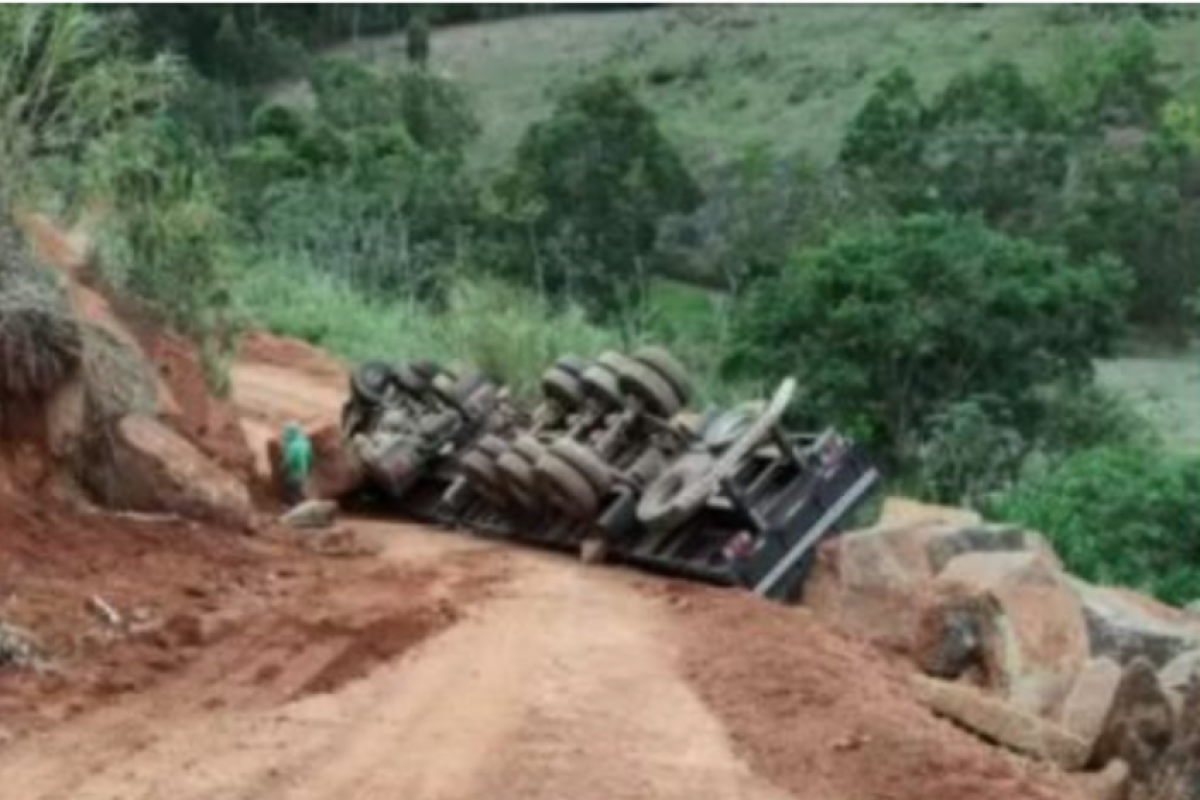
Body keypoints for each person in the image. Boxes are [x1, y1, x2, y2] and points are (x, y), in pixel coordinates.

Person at [280, 422, 313, 506]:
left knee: (290, 492)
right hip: (303, 474)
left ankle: (295, 509)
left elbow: (289, 461)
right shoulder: (305, 443)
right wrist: (308, 470)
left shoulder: (292, 446)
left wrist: (282, 468)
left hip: (294, 474)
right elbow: (310, 458)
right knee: (300, 492)